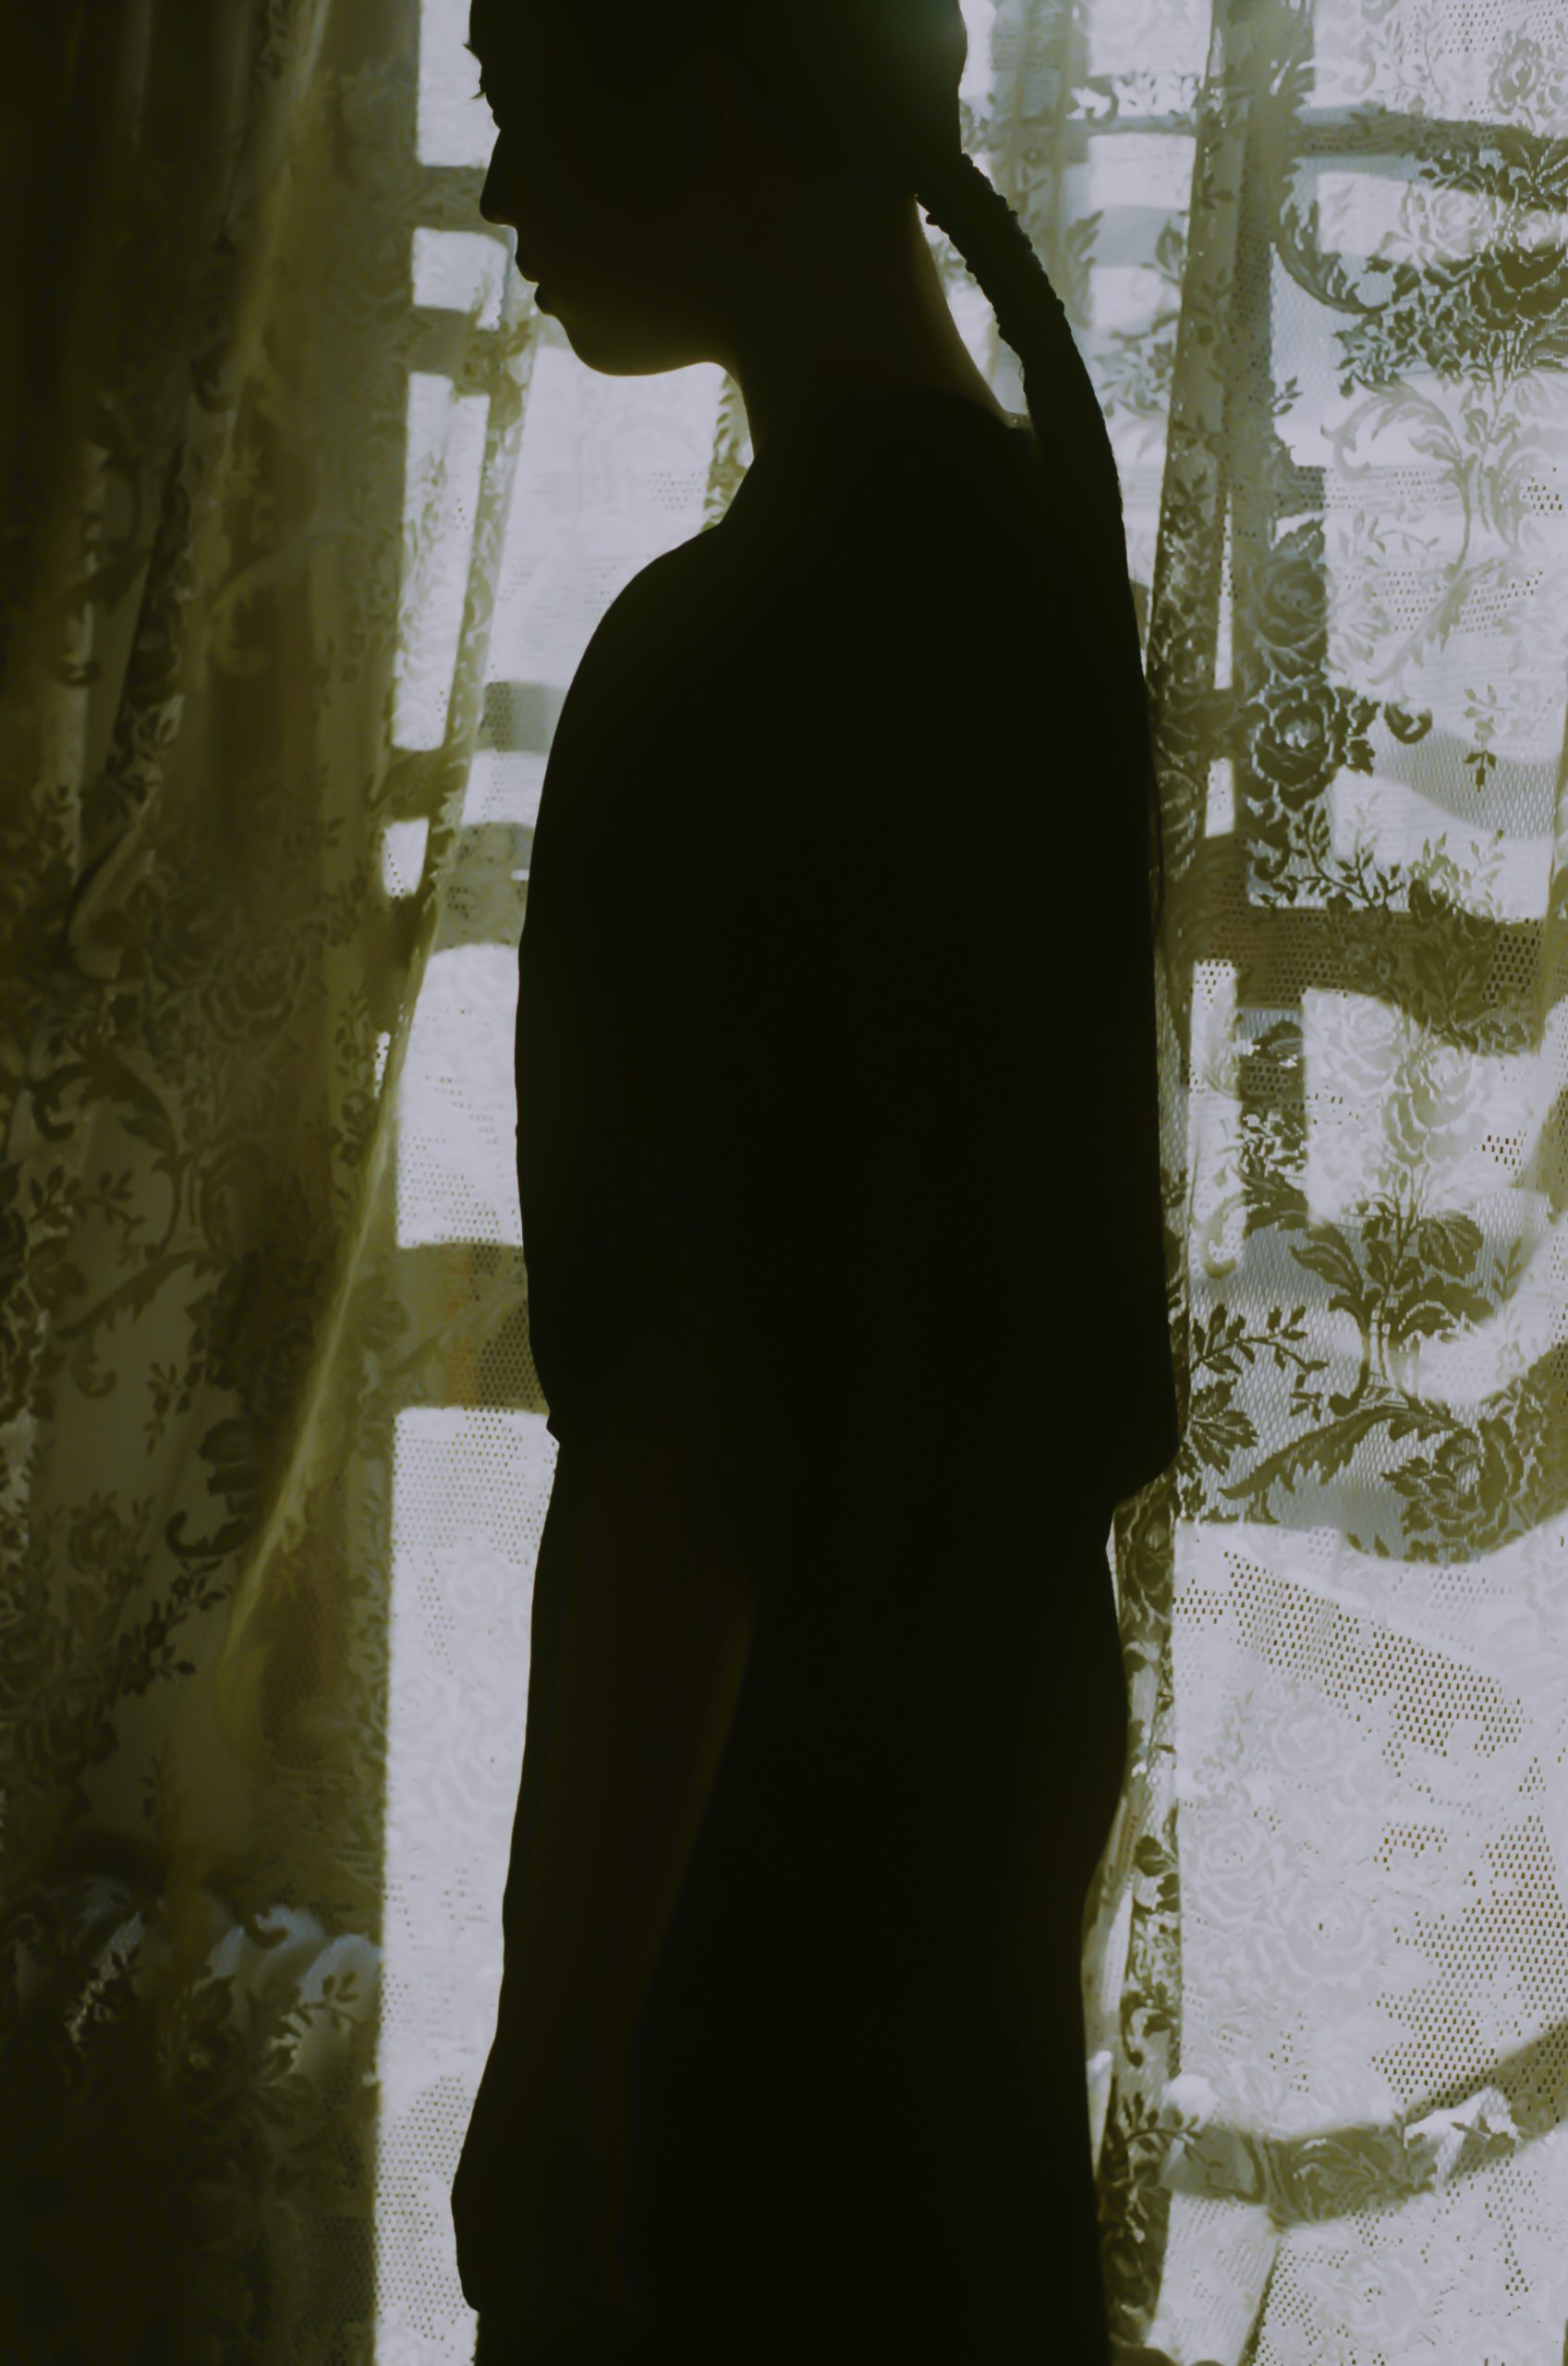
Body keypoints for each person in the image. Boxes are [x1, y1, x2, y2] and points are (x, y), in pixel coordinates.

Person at [449, 2, 1180, 2359]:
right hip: (971, 1860)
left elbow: (681, 1452)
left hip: (765, 1914)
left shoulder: (723, 660)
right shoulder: (1034, 564)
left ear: (707, 84)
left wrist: (556, 2057)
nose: (500, 190)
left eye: (519, 101)